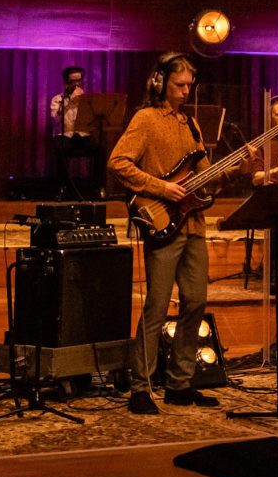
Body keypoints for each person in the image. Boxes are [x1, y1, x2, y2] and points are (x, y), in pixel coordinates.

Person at [107, 54, 219, 415]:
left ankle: (179, 383)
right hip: (161, 221)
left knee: (196, 302)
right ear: (160, 83)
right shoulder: (146, 119)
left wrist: (246, 169)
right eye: (179, 85)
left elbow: (205, 175)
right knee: (156, 305)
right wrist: (161, 187)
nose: (186, 91)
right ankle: (140, 387)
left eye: (189, 85)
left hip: (194, 225)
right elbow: (118, 162)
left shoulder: (192, 124)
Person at [47, 65, 101, 195]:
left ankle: (98, 187)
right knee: (60, 149)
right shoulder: (57, 99)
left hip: (82, 134)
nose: (77, 84)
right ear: (66, 83)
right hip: (65, 134)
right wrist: (69, 101)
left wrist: (84, 101)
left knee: (100, 149)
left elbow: (93, 120)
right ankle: (62, 186)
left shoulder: (87, 99)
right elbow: (55, 119)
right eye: (73, 81)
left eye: (79, 81)